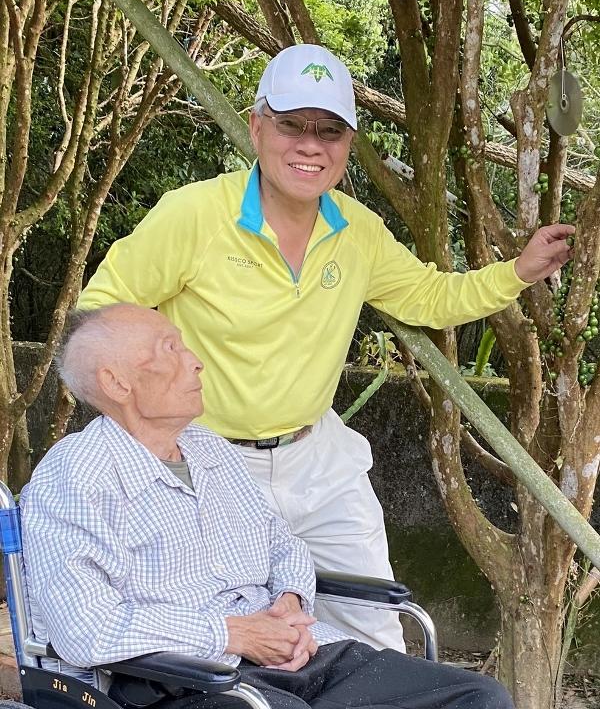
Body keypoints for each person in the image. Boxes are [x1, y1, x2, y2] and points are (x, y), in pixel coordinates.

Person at [77, 43, 574, 651]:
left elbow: (428, 296)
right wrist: (146, 421)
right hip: (206, 465)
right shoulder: (194, 215)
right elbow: (102, 313)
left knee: (376, 630)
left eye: (329, 131)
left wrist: (518, 271)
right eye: (292, 125)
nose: (310, 145)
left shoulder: (357, 230)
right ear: (257, 128)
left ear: (348, 144)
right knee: (235, 643)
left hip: (319, 459)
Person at [22, 304, 515, 709]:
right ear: (117, 383)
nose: (195, 361)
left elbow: (281, 543)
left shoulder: (209, 449)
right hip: (181, 680)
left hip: (296, 655)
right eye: (170, 349)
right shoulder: (76, 476)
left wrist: (290, 603)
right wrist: (233, 635)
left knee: (477, 697)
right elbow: (84, 628)